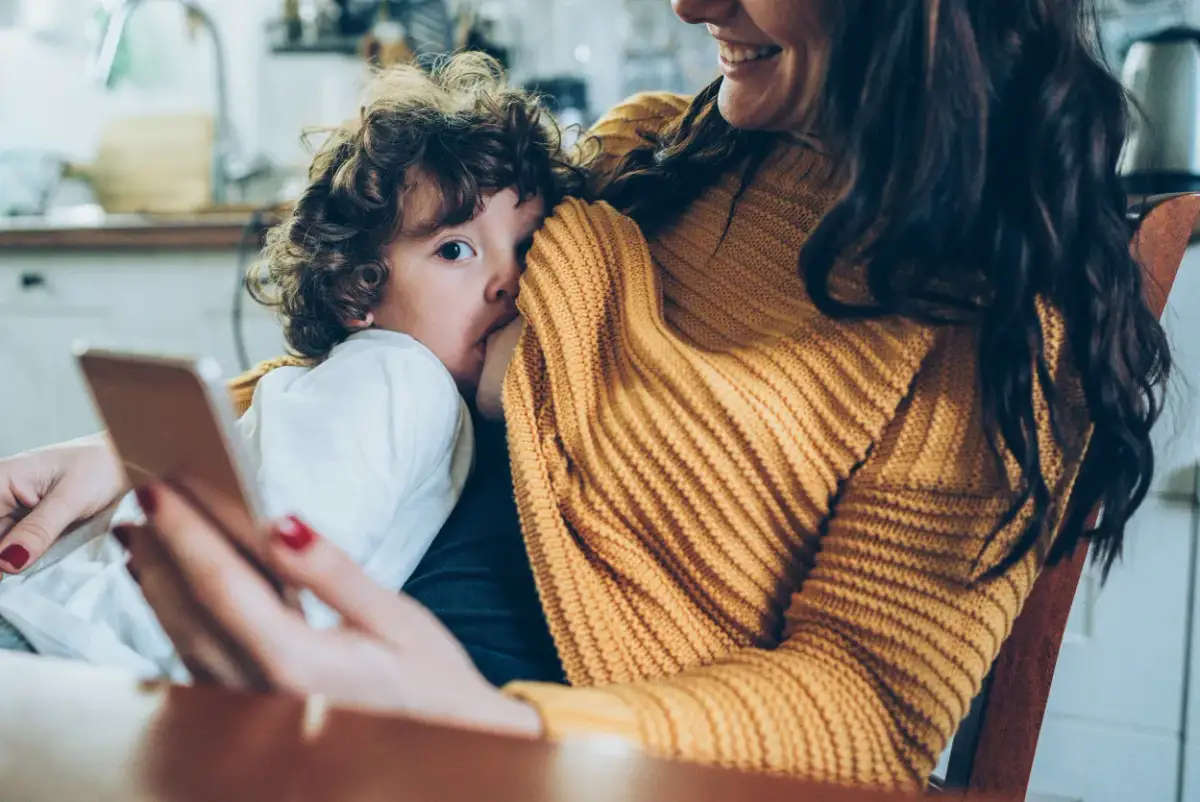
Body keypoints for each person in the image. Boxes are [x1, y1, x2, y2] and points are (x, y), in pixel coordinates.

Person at [0, 0, 1169, 790]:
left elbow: (866, 710)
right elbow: (423, 348)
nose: (686, 2)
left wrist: (496, 725)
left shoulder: (1002, 323)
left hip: (493, 746)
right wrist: (145, 448)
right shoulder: (652, 152)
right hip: (299, 664)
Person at [0, 53, 575, 677]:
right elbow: (270, 574)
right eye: (455, 249)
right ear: (361, 290)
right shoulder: (398, 379)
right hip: (79, 642)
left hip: (71, 627)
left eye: (526, 246)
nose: (509, 283)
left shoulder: (393, 385)